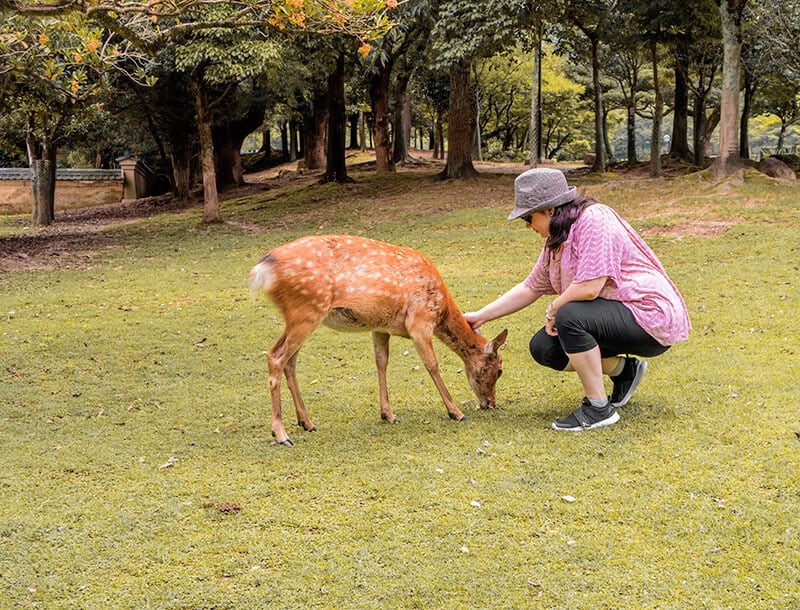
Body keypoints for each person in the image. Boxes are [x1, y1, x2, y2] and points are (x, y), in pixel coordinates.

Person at [464, 167, 690, 431]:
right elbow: (531, 287)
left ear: (549, 210)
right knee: (544, 347)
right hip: (616, 316)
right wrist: (481, 316)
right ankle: (624, 371)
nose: (527, 225)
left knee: (568, 316)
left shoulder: (594, 219)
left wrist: (554, 308)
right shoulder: (557, 239)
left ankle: (598, 409)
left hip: (649, 315)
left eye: (529, 217)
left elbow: (590, 287)